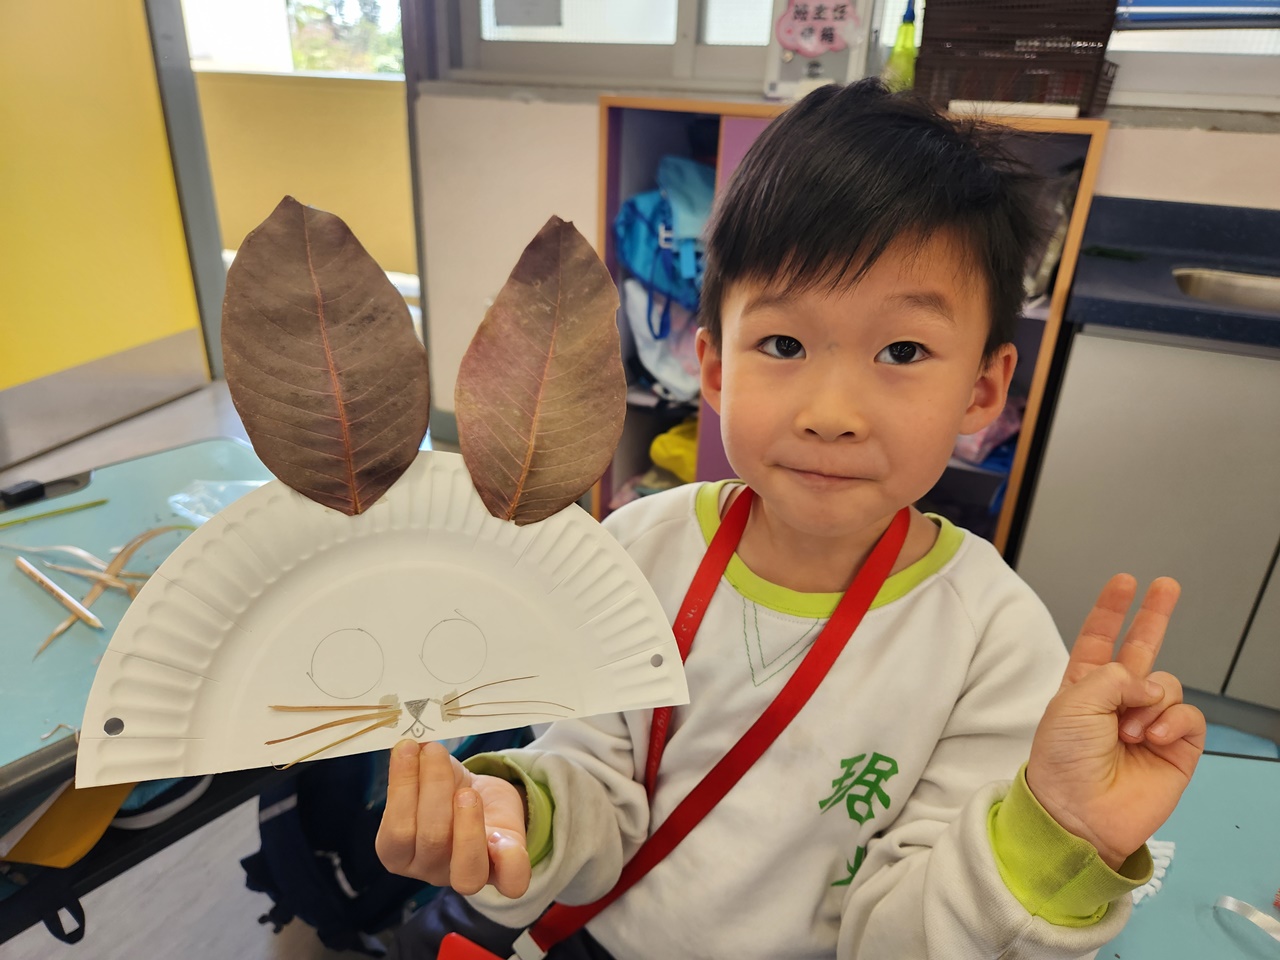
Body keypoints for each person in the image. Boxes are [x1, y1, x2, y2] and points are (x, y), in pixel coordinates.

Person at [377, 79, 1206, 959]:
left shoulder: (992, 642)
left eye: (903, 350)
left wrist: (1057, 834)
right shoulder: (637, 550)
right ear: (716, 369)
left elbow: (905, 938)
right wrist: (520, 809)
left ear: (983, 389)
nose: (831, 413)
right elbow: (593, 775)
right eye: (783, 344)